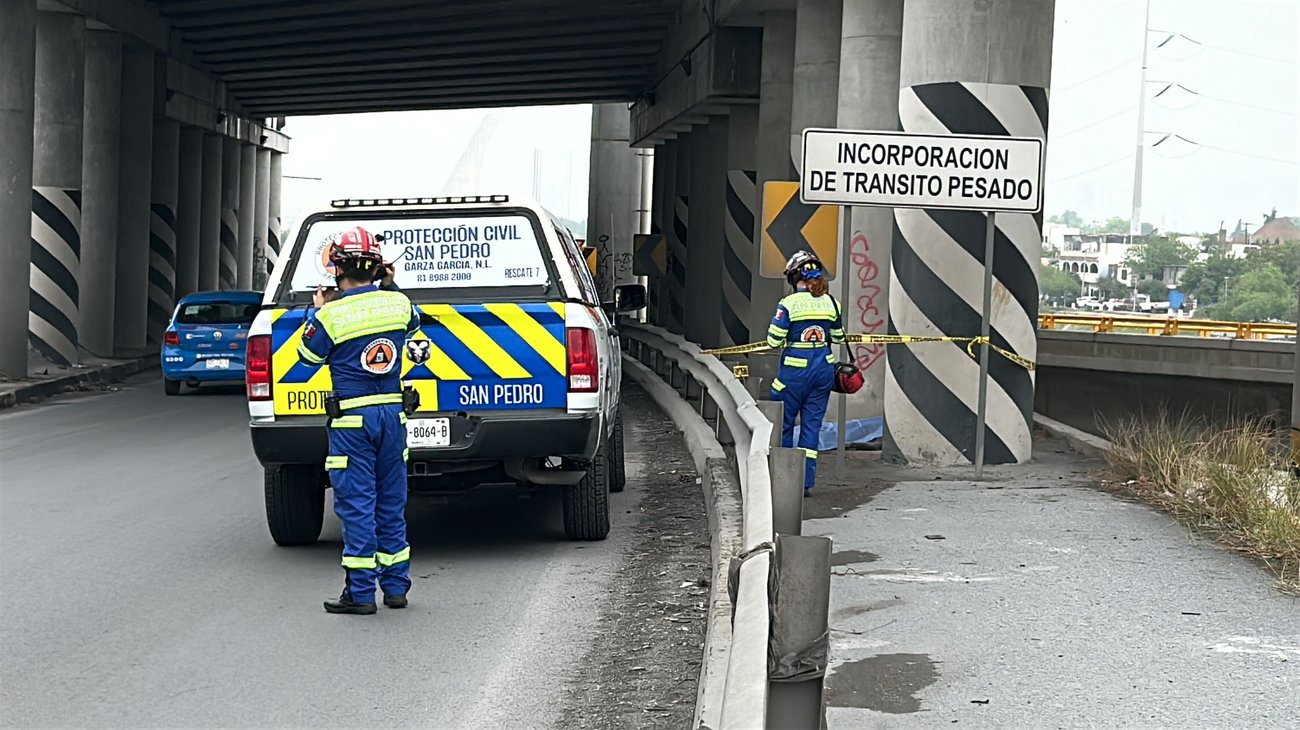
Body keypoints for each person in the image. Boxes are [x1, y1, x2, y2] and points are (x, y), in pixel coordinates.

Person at [297, 226, 421, 615]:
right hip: (393, 418)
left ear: (336, 269)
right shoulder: (398, 305)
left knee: (357, 505)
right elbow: (414, 324)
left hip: (353, 423)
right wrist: (390, 284)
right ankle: (397, 587)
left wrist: (317, 311)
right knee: (391, 502)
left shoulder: (331, 316)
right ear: (377, 267)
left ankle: (361, 594)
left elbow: (307, 357)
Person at [766, 250, 846, 495]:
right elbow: (838, 338)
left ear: (793, 278)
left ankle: (784, 480)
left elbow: (773, 340)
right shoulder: (832, 303)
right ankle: (805, 483)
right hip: (823, 371)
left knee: (784, 425)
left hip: (793, 374)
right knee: (812, 428)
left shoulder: (788, 304)